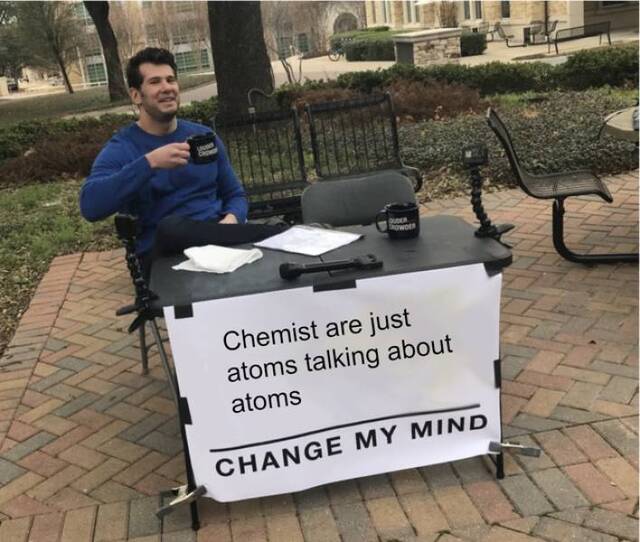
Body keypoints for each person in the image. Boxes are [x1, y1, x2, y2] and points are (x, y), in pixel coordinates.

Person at [79, 47, 249, 266]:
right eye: (155, 82)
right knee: (171, 228)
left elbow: (235, 194)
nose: (167, 88)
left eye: (170, 80)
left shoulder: (204, 138)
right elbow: (91, 207)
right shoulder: (123, 148)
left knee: (275, 244)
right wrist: (150, 163)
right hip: (166, 257)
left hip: (218, 243)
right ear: (136, 95)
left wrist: (232, 220)